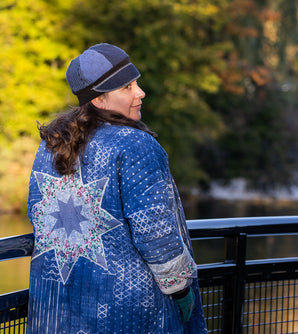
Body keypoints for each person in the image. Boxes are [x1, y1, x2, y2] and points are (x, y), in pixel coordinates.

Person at [26, 43, 207, 333]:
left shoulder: (53, 144)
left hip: (59, 310)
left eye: (136, 83)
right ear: (99, 100)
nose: (140, 93)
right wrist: (181, 291)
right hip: (130, 313)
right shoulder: (136, 145)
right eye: (127, 87)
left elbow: (37, 213)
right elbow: (155, 231)